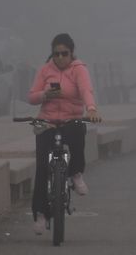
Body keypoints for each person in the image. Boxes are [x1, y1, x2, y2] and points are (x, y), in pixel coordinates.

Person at [27, 33, 101, 235]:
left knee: (78, 131)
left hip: (70, 119)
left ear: (72, 53)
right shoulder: (45, 70)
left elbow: (86, 90)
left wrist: (91, 109)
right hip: (47, 121)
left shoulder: (79, 70)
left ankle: (76, 174)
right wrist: (45, 95)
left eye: (64, 54)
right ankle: (41, 215)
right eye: (56, 54)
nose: (60, 58)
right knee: (42, 167)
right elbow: (32, 96)